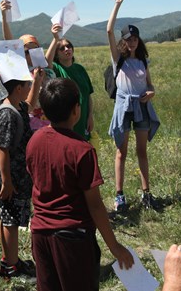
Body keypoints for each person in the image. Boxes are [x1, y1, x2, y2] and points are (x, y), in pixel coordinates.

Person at [26, 78, 134, 291]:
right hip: (73, 238)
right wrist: (114, 246)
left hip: (40, 234)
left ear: (45, 112)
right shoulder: (81, 149)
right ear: (76, 110)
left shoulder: (34, 140)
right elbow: (95, 204)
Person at [107, 0, 161, 212]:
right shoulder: (117, 59)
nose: (132, 43)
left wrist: (151, 92)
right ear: (123, 41)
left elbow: (150, 85)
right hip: (123, 109)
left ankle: (146, 193)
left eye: (135, 39)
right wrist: (117, 4)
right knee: (122, 152)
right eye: (128, 39)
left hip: (141, 107)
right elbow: (109, 30)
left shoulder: (142, 61)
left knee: (142, 151)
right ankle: (119, 195)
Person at [0, 76, 42, 280]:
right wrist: (6, 181)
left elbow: (30, 105)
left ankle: (9, 259)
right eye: (27, 85)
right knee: (10, 221)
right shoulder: (7, 114)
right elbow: (2, 149)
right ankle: (10, 267)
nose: (29, 87)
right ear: (18, 88)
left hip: (19, 177)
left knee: (9, 218)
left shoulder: (18, 107)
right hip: (12, 178)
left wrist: (38, 80)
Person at [0, 0, 55, 130]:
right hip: (29, 123)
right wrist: (4, 17)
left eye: (34, 49)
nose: (30, 53)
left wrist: (56, 38)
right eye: (26, 51)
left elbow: (51, 53)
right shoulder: (20, 70)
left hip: (50, 120)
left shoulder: (45, 69)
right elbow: (9, 41)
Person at [48, 24, 94, 140]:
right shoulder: (56, 68)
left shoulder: (80, 69)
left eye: (68, 46)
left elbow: (88, 95)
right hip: (66, 120)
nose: (67, 49)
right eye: (62, 48)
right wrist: (55, 39)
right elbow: (46, 62)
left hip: (83, 119)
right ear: (56, 54)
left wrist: (90, 116)